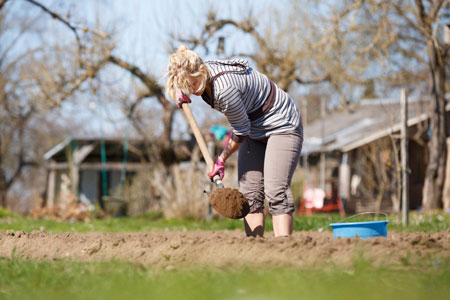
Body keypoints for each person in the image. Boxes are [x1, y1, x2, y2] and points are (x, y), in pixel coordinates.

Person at [166, 45, 303, 237]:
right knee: (250, 195)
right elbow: (183, 80)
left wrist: (221, 160)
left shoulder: (224, 89)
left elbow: (241, 131)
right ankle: (256, 251)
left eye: (193, 84)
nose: (191, 90)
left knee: (275, 190)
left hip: (281, 125)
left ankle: (285, 248)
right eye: (185, 86)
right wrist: (182, 92)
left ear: (201, 71)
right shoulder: (198, 72)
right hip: (254, 128)